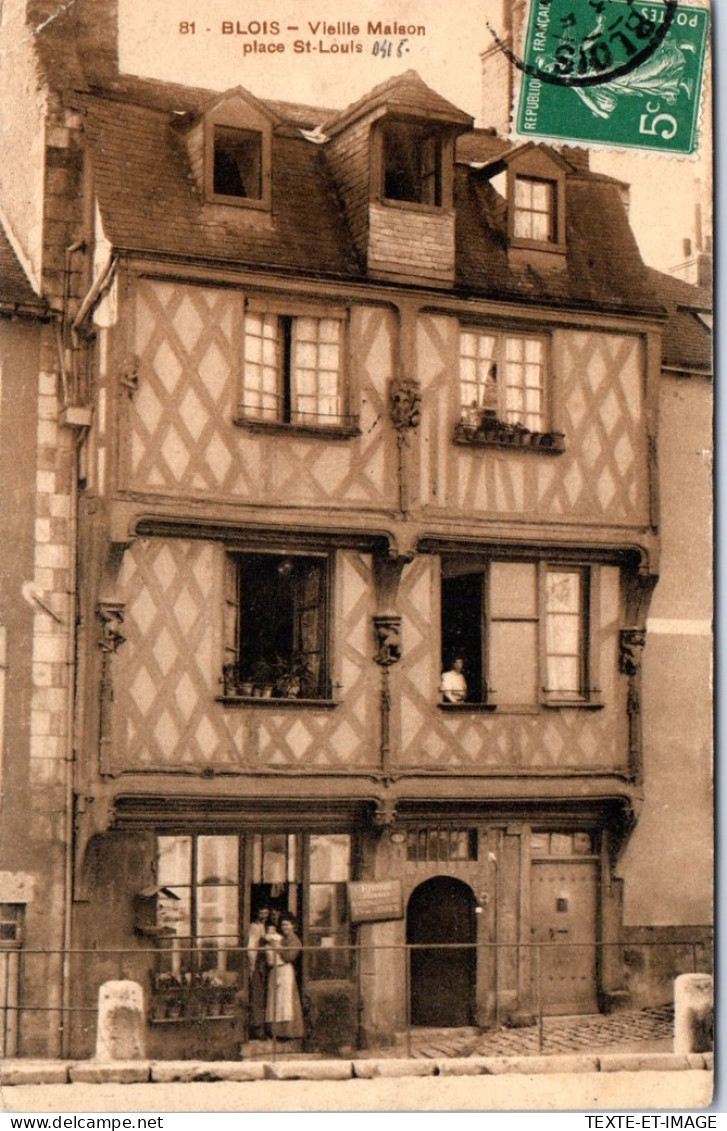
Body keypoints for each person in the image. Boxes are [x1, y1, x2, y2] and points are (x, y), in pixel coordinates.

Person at [265, 913, 304, 1040]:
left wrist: (278, 948)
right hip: (275, 970)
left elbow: (289, 957)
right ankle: (275, 1032)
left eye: (287, 924)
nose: (284, 927)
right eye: (282, 925)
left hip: (285, 970)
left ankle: (287, 1033)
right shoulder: (282, 938)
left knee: (285, 1001)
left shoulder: (295, 940)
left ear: (293, 926)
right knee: (275, 1000)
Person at [246, 906, 270, 1040]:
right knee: (257, 996)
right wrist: (253, 966)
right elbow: (252, 947)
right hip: (257, 964)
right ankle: (257, 1028)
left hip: (264, 964)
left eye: (266, 912)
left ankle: (262, 1027)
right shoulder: (254, 927)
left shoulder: (264, 926)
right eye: (261, 912)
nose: (264, 915)